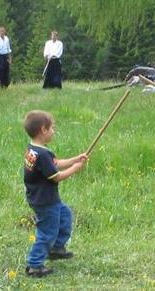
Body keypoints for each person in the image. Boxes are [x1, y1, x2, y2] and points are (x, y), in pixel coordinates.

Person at [23, 110, 88, 277]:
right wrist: (75, 169)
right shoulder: (42, 154)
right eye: (52, 128)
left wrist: (75, 159)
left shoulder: (35, 149)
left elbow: (56, 164)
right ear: (43, 130)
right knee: (47, 231)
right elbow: (56, 176)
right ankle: (35, 265)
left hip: (44, 198)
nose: (54, 131)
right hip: (45, 201)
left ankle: (56, 248)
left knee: (65, 214)